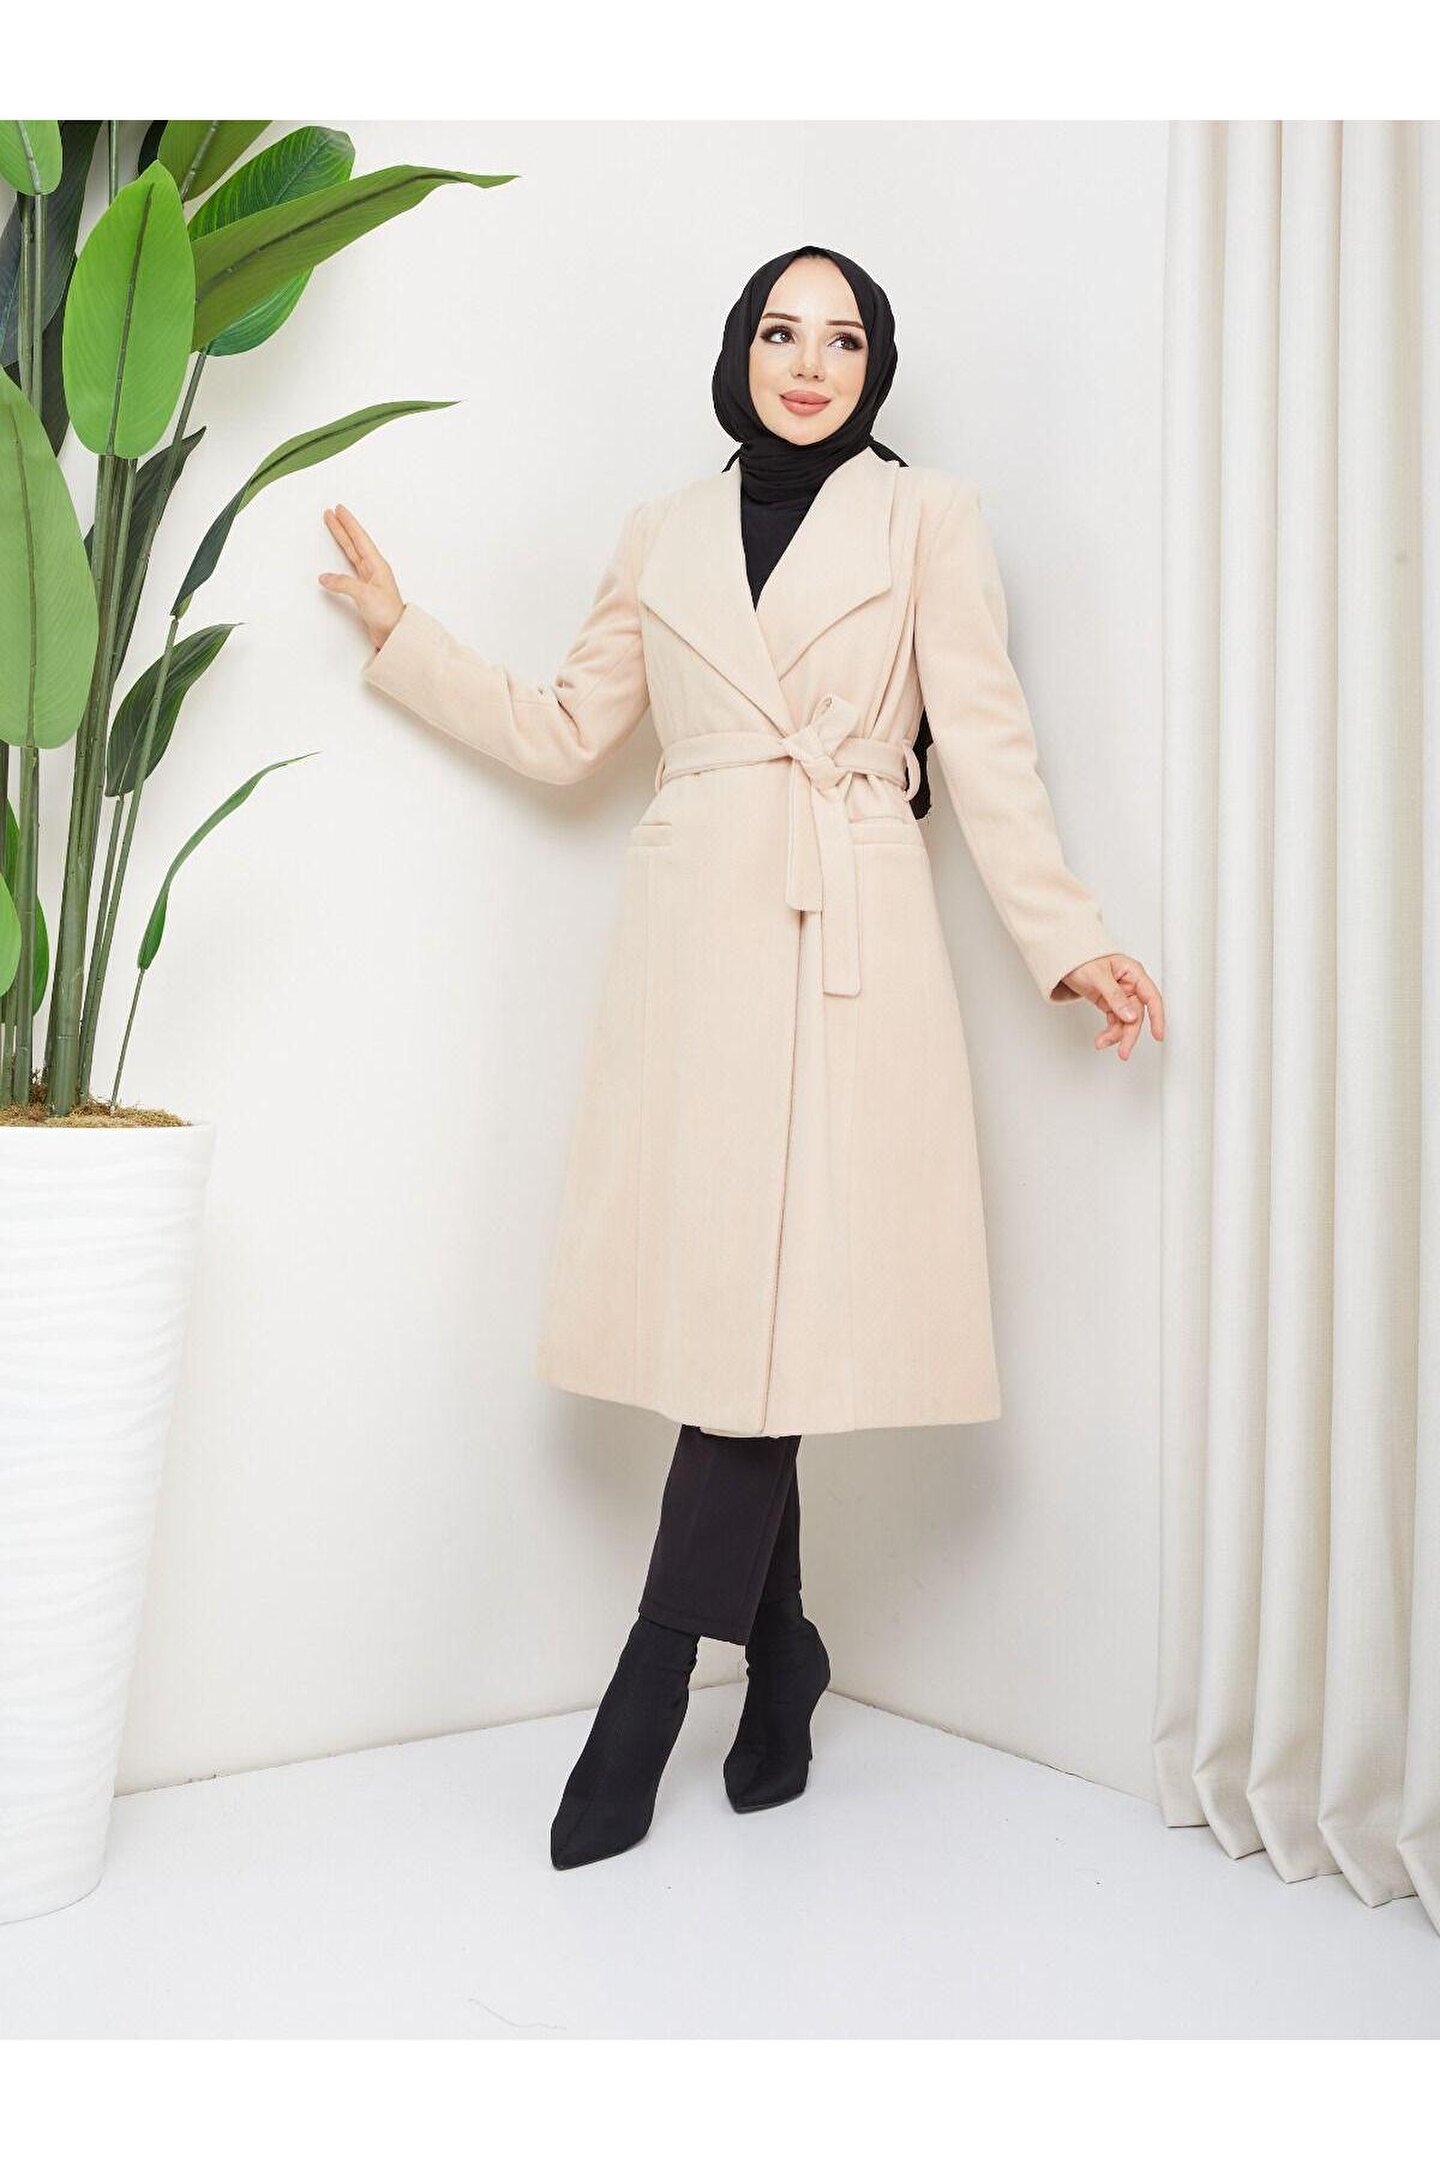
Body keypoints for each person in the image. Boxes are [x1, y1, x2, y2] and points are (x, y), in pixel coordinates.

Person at [320, 243, 1165, 1873]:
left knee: (773, 1316)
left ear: (875, 369)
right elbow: (570, 732)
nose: (810, 363)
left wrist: (1068, 940)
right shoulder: (661, 531)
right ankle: (782, 1653)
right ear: (740, 351)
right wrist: (405, 633)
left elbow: (988, 749)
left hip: (851, 933)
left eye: (843, 339)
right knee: (736, 1314)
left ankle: (651, 1681)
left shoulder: (930, 520)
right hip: (695, 941)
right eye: (783, 331)